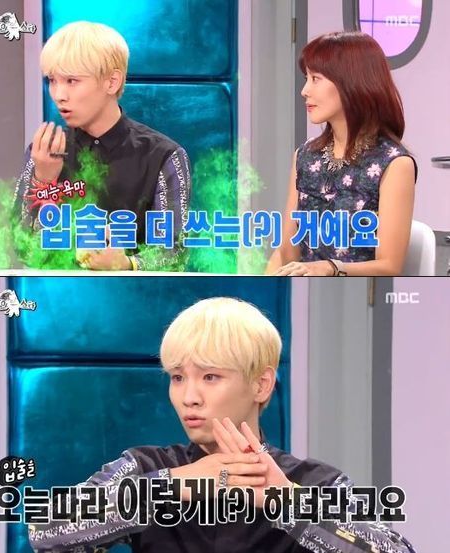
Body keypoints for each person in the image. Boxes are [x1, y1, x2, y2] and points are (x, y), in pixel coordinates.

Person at [29, 297, 416, 552]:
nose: (189, 397)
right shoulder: (147, 467)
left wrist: (289, 504)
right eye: (178, 377)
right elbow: (46, 531)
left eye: (210, 377)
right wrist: (172, 486)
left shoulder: (314, 482)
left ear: (261, 384)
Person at [13, 21, 191, 271]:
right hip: (58, 293)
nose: (59, 95)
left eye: (72, 81)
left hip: (138, 293)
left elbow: (175, 252)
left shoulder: (163, 155)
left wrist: (128, 264)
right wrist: (44, 183)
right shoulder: (44, 152)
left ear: (112, 82)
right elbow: (24, 249)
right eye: (52, 80)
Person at [267, 32, 417, 277]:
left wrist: (332, 268)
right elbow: (286, 252)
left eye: (316, 79)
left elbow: (389, 266)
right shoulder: (305, 156)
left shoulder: (394, 163)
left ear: (351, 83)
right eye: (306, 78)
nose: (304, 90)